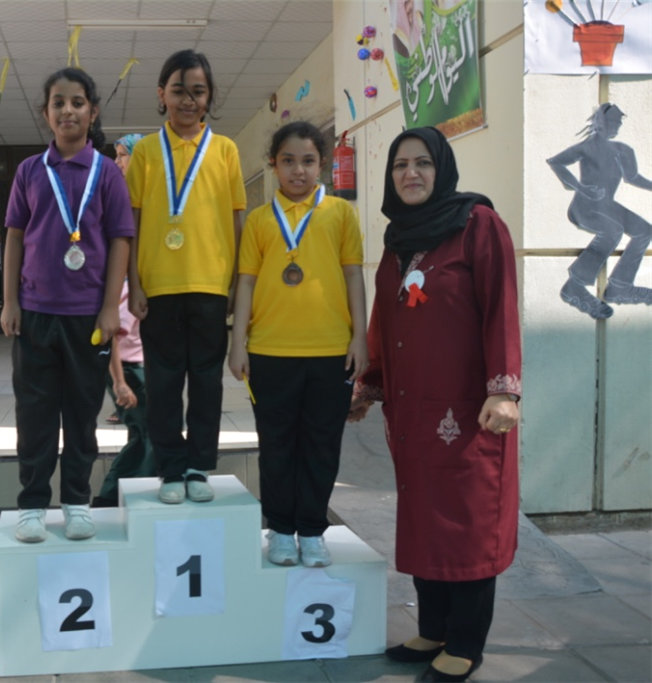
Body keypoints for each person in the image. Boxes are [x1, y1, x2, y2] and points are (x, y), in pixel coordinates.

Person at [349, 127, 521, 683]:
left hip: (468, 410)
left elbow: (501, 307)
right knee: (424, 516)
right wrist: (370, 385)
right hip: (413, 409)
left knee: (467, 521)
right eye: (400, 165)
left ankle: (466, 643)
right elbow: (385, 319)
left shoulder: (478, 225)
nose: (411, 174)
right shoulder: (398, 239)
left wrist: (504, 388)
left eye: (422, 163)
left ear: (442, 168)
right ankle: (435, 628)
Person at [0, 67, 132, 544]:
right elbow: (16, 237)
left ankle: (77, 501)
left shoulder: (107, 172)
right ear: (46, 113)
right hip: (35, 313)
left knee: (81, 414)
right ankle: (33, 504)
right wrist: (9, 301)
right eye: (58, 102)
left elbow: (120, 240)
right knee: (34, 414)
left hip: (87, 319)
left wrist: (111, 307)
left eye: (78, 102)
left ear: (92, 112)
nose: (68, 110)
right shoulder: (30, 171)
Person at [228, 121, 367, 569]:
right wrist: (238, 342)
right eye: (288, 161)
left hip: (331, 352)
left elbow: (353, 276)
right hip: (270, 352)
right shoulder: (259, 220)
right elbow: (245, 283)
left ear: (321, 164)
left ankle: (311, 530)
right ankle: (281, 530)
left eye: (307, 161)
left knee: (322, 446)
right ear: (273, 164)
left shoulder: (340, 214)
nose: (298, 171)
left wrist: (360, 337)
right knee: (276, 447)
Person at [126, 49, 246, 505]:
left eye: (198, 91)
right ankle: (170, 468)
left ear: (209, 96)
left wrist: (235, 283)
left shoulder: (225, 150)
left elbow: (236, 220)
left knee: (207, 382)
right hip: (158, 287)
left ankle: (198, 465)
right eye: (179, 91)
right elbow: (132, 224)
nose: (188, 100)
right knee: (162, 383)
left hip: (211, 285)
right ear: (162, 94)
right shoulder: (145, 152)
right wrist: (135, 284)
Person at [547, 103, 652, 319]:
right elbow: (556, 162)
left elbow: (632, 177)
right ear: (599, 123)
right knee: (612, 231)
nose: (616, 126)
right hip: (584, 207)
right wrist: (580, 187)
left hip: (608, 206)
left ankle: (620, 286)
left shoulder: (623, 150)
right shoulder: (586, 148)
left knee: (644, 230)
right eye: (612, 122)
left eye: (618, 123)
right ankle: (574, 286)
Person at [92, 279, 155, 508]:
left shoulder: (134, 288)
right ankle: (114, 495)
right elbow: (112, 336)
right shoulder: (130, 292)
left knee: (143, 433)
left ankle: (115, 495)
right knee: (150, 433)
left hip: (135, 368)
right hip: (130, 370)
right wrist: (120, 382)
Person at [105, 133, 145, 426]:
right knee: (119, 333)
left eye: (122, 155)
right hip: (119, 280)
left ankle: (132, 400)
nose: (117, 161)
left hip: (142, 279)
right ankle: (124, 395)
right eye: (116, 155)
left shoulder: (152, 196)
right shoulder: (113, 194)